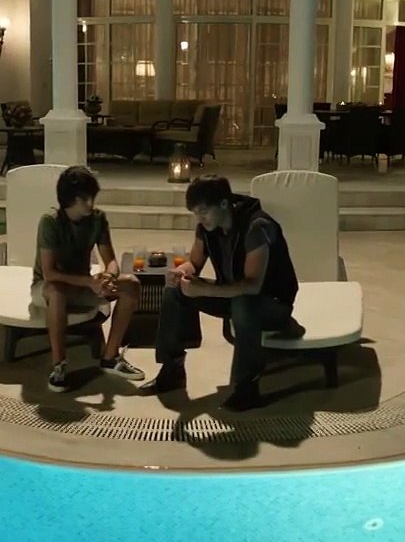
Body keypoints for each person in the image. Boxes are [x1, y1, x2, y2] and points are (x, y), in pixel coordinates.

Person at [141, 175, 305, 411]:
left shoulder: (256, 226)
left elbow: (252, 286)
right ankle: (172, 369)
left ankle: (247, 386)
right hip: (235, 297)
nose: (200, 218)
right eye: (196, 213)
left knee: (243, 304)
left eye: (204, 212)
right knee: (175, 291)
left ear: (224, 203)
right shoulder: (207, 227)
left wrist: (205, 288)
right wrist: (180, 273)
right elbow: (194, 263)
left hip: (271, 303)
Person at [32, 166, 145, 392]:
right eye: (84, 199)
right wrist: (90, 282)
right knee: (56, 291)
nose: (91, 203)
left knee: (131, 284)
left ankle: (110, 356)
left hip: (83, 285)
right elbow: (49, 273)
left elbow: (111, 261)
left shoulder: (97, 219)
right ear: (70, 199)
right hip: (48, 287)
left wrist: (107, 278)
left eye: (92, 197)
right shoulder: (50, 222)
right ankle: (59, 366)